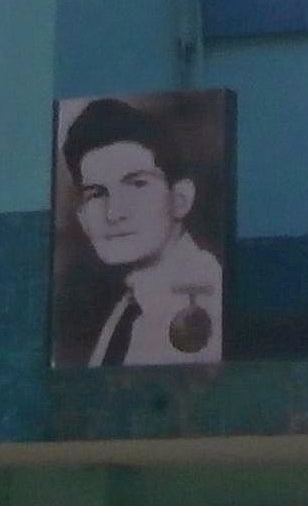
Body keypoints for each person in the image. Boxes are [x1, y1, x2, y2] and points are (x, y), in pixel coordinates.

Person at [58, 97, 224, 367]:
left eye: (137, 184)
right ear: (82, 219)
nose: (114, 213)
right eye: (97, 194)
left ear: (180, 199)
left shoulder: (202, 296)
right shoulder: (131, 302)